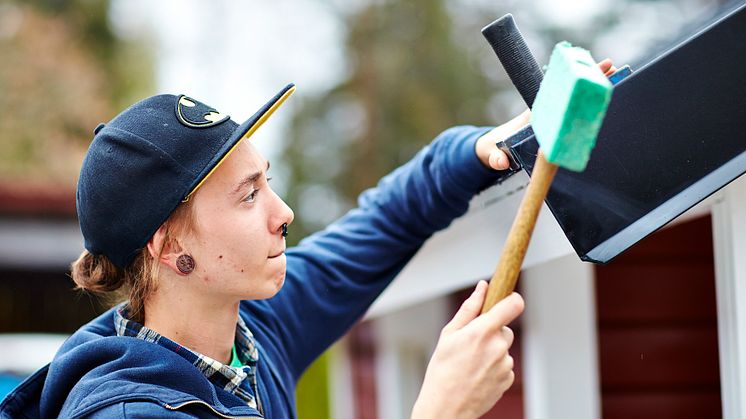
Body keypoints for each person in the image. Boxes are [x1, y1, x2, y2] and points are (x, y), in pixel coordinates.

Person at [0, 60, 616, 419]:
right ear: (168, 248)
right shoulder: (131, 414)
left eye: (269, 183)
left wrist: (485, 151)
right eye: (249, 195)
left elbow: (387, 221)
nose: (284, 211)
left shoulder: (250, 335)